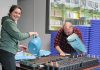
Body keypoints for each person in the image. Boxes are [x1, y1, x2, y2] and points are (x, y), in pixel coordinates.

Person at [0, 5, 38, 70]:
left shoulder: (10, 22)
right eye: (15, 12)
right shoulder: (8, 22)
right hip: (7, 53)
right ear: (10, 12)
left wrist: (18, 46)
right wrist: (32, 33)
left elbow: (8, 39)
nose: (17, 15)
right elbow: (19, 36)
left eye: (19, 13)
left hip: (5, 52)